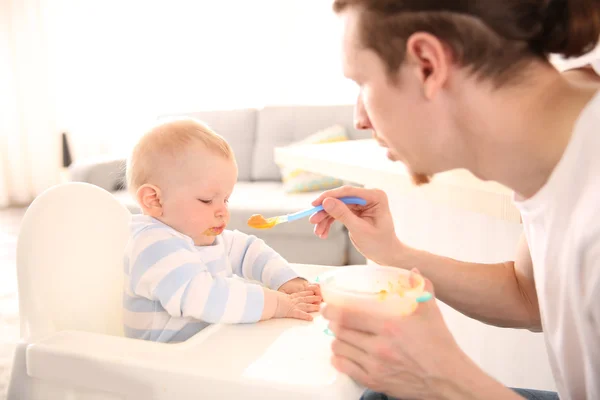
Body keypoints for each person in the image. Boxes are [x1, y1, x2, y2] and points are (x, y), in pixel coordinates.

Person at [310, 0, 600, 399]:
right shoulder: (559, 130)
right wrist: (392, 252)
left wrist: (446, 380)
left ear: (427, 64)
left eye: (362, 82)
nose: (360, 118)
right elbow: (528, 295)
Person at [123, 117, 321, 343]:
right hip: (161, 363)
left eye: (225, 200)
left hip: (208, 348)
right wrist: (276, 304)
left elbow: (249, 251)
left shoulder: (200, 234)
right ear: (155, 200)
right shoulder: (153, 246)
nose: (222, 212)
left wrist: (286, 280)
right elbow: (202, 296)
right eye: (207, 200)